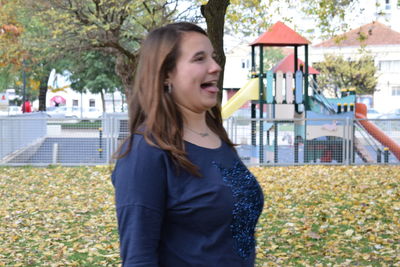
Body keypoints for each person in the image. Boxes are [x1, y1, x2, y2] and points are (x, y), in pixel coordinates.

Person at [111, 22, 264, 267]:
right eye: (199, 59)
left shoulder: (216, 136)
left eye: (213, 57)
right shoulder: (146, 151)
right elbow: (139, 258)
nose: (216, 66)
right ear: (166, 74)